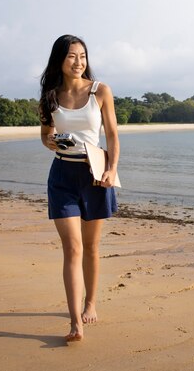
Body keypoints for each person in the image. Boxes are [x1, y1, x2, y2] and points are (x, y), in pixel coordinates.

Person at [39, 34, 119, 342]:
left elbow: (112, 135)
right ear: (60, 59)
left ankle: (90, 303)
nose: (78, 62)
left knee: (92, 247)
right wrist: (52, 140)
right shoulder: (50, 97)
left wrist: (111, 169)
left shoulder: (100, 91)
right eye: (72, 56)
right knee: (72, 248)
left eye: (82, 56)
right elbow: (46, 136)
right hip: (62, 175)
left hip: (95, 174)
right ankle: (75, 322)